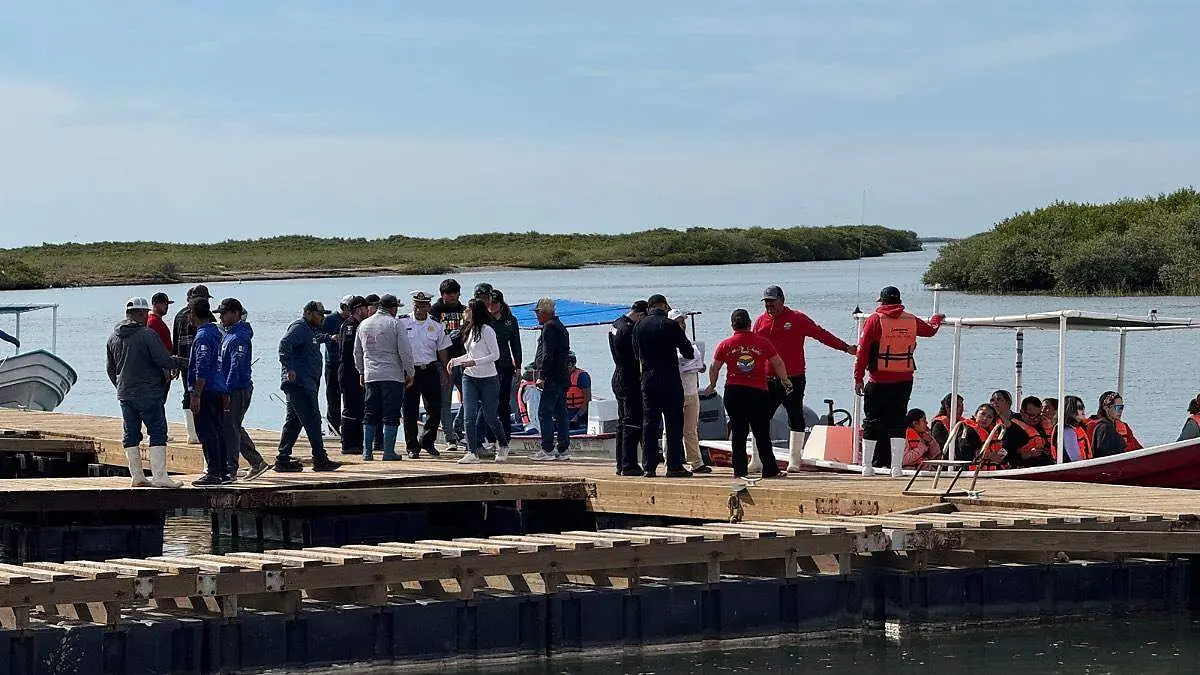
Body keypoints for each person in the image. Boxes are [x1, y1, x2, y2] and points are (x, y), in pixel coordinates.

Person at [853, 286, 943, 477]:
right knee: (897, 422)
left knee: (871, 422)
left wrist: (858, 377)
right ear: (899, 301)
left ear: (882, 302)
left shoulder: (874, 320)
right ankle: (896, 468)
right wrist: (937, 319)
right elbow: (931, 330)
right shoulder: (910, 320)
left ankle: (867, 467)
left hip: (878, 380)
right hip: (904, 380)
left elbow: (862, 351)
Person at [105, 296, 186, 488]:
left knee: (131, 433)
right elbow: (163, 360)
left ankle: (138, 477)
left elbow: (110, 370)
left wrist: (121, 387)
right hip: (149, 393)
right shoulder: (147, 335)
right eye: (146, 312)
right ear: (141, 313)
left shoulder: (112, 337)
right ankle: (160, 476)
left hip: (125, 394)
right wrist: (182, 362)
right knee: (157, 431)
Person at [754, 285, 856, 434]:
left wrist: (845, 347)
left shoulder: (797, 318)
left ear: (782, 300)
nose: (769, 307)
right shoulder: (760, 321)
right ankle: (758, 455)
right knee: (760, 417)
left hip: (793, 378)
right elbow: (752, 348)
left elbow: (821, 335)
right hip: (768, 379)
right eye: (766, 304)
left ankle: (796, 455)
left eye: (772, 303)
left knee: (796, 418)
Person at [703, 308, 790, 479]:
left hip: (734, 391)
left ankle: (740, 470)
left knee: (738, 432)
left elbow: (714, 367)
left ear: (732, 325)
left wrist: (712, 384)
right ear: (750, 324)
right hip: (758, 391)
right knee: (762, 432)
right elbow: (778, 363)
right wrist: (785, 380)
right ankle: (769, 469)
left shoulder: (725, 344)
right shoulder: (762, 342)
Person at [633, 294, 696, 478]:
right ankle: (674, 466)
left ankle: (649, 467)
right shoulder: (670, 325)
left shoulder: (639, 326)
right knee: (674, 423)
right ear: (663, 306)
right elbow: (688, 352)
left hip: (648, 379)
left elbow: (636, 354)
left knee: (649, 423)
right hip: (669, 378)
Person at [275, 301, 342, 472]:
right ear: (309, 313)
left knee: (294, 421)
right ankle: (320, 458)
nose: (323, 317)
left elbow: (314, 339)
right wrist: (289, 368)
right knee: (313, 419)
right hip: (299, 384)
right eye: (320, 314)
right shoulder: (299, 327)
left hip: (307, 383)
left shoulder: (310, 330)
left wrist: (329, 338)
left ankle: (282, 459)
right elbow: (284, 344)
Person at [355, 293, 415, 461]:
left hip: (371, 374)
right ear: (393, 308)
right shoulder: (395, 324)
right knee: (391, 413)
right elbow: (405, 351)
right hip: (392, 375)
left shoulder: (364, 324)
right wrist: (410, 372)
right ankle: (388, 451)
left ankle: (367, 452)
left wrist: (361, 371)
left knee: (370, 412)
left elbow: (357, 352)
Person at [216, 298, 269, 481]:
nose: (220, 317)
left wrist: (226, 392)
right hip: (229, 388)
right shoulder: (228, 334)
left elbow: (236, 368)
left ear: (235, 313)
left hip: (236, 390)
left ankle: (231, 470)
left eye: (224, 313)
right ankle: (256, 462)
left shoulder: (240, 337)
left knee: (230, 428)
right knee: (232, 426)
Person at [450, 299, 508, 464]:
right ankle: (471, 451)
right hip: (470, 377)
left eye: (467, 309)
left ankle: (503, 444)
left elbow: (495, 355)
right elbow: (470, 355)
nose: (465, 311)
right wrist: (455, 361)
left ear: (474, 311)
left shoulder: (487, 330)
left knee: (490, 416)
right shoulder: (469, 330)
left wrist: (474, 362)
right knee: (469, 415)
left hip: (488, 378)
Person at [186, 298, 231, 486]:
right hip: (219, 387)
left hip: (207, 389)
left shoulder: (203, 335)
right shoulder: (217, 332)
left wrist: (196, 394)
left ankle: (213, 472)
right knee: (218, 430)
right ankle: (223, 471)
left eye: (189, 312)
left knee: (207, 431)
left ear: (194, 314)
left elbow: (202, 366)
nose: (188, 315)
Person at [401, 291, 451, 458]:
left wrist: (444, 370)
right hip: (410, 371)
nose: (419, 308)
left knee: (434, 409)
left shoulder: (436, 325)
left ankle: (428, 442)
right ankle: (412, 446)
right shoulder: (402, 322)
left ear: (428, 306)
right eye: (416, 305)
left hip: (429, 369)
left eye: (422, 305)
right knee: (409, 410)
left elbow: (442, 349)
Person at [608, 300, 648, 476]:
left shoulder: (616, 324)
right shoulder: (630, 330)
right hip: (629, 377)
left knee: (622, 422)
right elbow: (637, 355)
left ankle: (621, 463)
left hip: (618, 375)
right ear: (640, 314)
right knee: (632, 421)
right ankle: (629, 464)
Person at [530, 298, 572, 461]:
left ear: (544, 313)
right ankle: (563, 449)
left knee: (544, 413)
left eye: (538, 313)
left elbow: (547, 354)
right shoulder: (561, 327)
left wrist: (542, 375)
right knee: (561, 413)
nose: (537, 316)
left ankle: (547, 449)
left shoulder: (549, 328)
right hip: (562, 376)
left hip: (552, 377)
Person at [669, 308, 709, 473]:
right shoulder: (667, 345)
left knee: (690, 429)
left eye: (683, 321)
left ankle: (696, 462)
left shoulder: (690, 345)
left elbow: (699, 364)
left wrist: (700, 366)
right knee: (671, 429)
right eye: (678, 322)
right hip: (674, 392)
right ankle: (670, 459)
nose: (682, 325)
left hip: (691, 391)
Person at [172, 284, 213, 444]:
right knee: (201, 393)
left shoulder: (179, 315)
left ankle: (192, 433)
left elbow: (175, 340)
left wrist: (174, 362)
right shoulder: (205, 314)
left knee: (187, 392)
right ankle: (199, 430)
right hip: (200, 361)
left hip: (183, 361)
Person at [431, 279, 467, 447]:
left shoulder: (465, 310)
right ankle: (449, 436)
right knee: (445, 400)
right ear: (442, 294)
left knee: (469, 398)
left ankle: (458, 426)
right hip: (442, 362)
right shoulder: (435, 311)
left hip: (462, 359)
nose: (451, 296)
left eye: (454, 292)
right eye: (448, 293)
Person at [486, 289, 522, 448]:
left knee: (504, 403)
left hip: (505, 366)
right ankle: (489, 438)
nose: (492, 306)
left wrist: (519, 366)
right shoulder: (484, 321)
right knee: (488, 402)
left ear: (500, 304)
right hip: (487, 366)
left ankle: (506, 438)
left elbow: (516, 344)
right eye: (490, 303)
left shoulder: (510, 320)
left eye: (495, 303)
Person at [337, 296, 370, 455]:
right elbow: (350, 352)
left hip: (354, 370)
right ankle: (349, 444)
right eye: (365, 308)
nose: (367, 311)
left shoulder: (356, 324)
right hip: (350, 371)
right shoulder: (351, 325)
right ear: (358, 309)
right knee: (351, 407)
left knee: (358, 407)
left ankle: (356, 442)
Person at [322, 296, 351, 433]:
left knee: (349, 397)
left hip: (348, 364)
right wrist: (331, 337)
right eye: (350, 309)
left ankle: (347, 428)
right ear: (344, 307)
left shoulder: (353, 321)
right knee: (333, 398)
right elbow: (317, 335)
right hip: (332, 364)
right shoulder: (330, 319)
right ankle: (333, 429)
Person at [1002, 396, 1053, 468]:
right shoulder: (1012, 429)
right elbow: (1005, 457)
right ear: (1022, 412)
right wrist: (1028, 454)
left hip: (1046, 464)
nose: (1036, 419)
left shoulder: (1044, 424)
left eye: (1038, 415)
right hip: (1022, 467)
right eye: (1031, 416)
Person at [1090, 391, 1141, 457]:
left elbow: (1139, 448)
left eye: (1122, 407)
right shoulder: (1095, 427)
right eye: (1117, 408)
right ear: (1106, 408)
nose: (1120, 411)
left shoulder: (1124, 426)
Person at [565, 351, 592, 430]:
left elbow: (587, 401)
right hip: (564, 412)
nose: (569, 367)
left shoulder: (582, 377)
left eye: (570, 364)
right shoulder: (559, 376)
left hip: (578, 412)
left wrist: (576, 417)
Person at [1061, 395, 1091, 461]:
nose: (1083, 410)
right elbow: (1075, 459)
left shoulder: (1076, 428)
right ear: (1070, 410)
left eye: (1083, 407)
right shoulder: (1068, 431)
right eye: (1080, 408)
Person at [516, 365, 541, 432]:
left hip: (528, 425)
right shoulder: (532, 391)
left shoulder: (525, 387)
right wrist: (539, 430)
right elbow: (532, 413)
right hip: (533, 427)